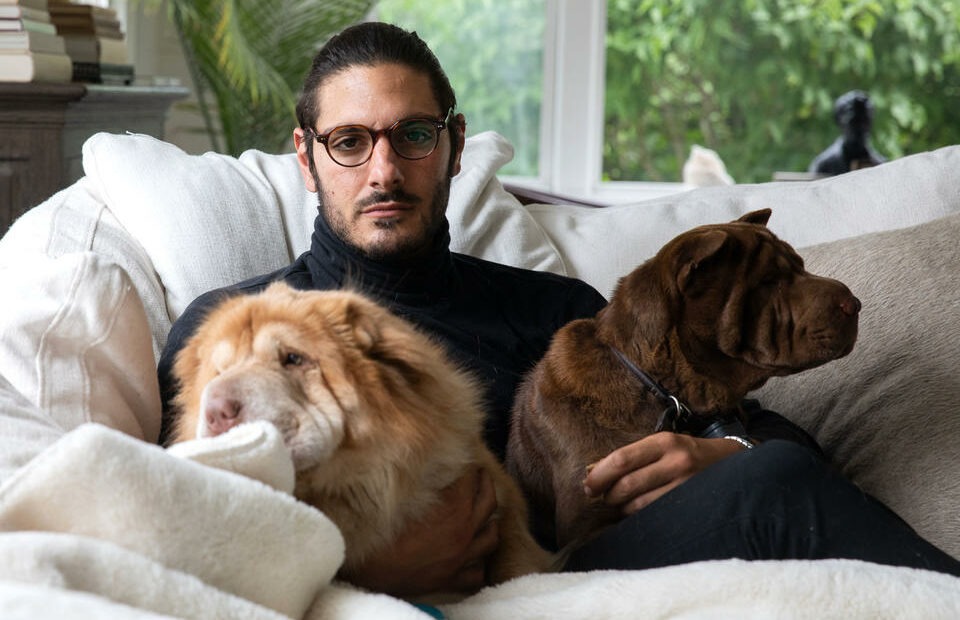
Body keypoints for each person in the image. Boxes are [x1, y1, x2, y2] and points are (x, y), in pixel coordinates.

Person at [157, 22, 960, 598]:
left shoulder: (553, 314)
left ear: (455, 146)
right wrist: (366, 565)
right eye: (349, 142)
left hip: (567, 576)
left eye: (413, 135)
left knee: (775, 474)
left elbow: (774, 437)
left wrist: (732, 449)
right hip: (383, 591)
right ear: (306, 156)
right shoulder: (229, 338)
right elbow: (187, 519)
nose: (384, 169)